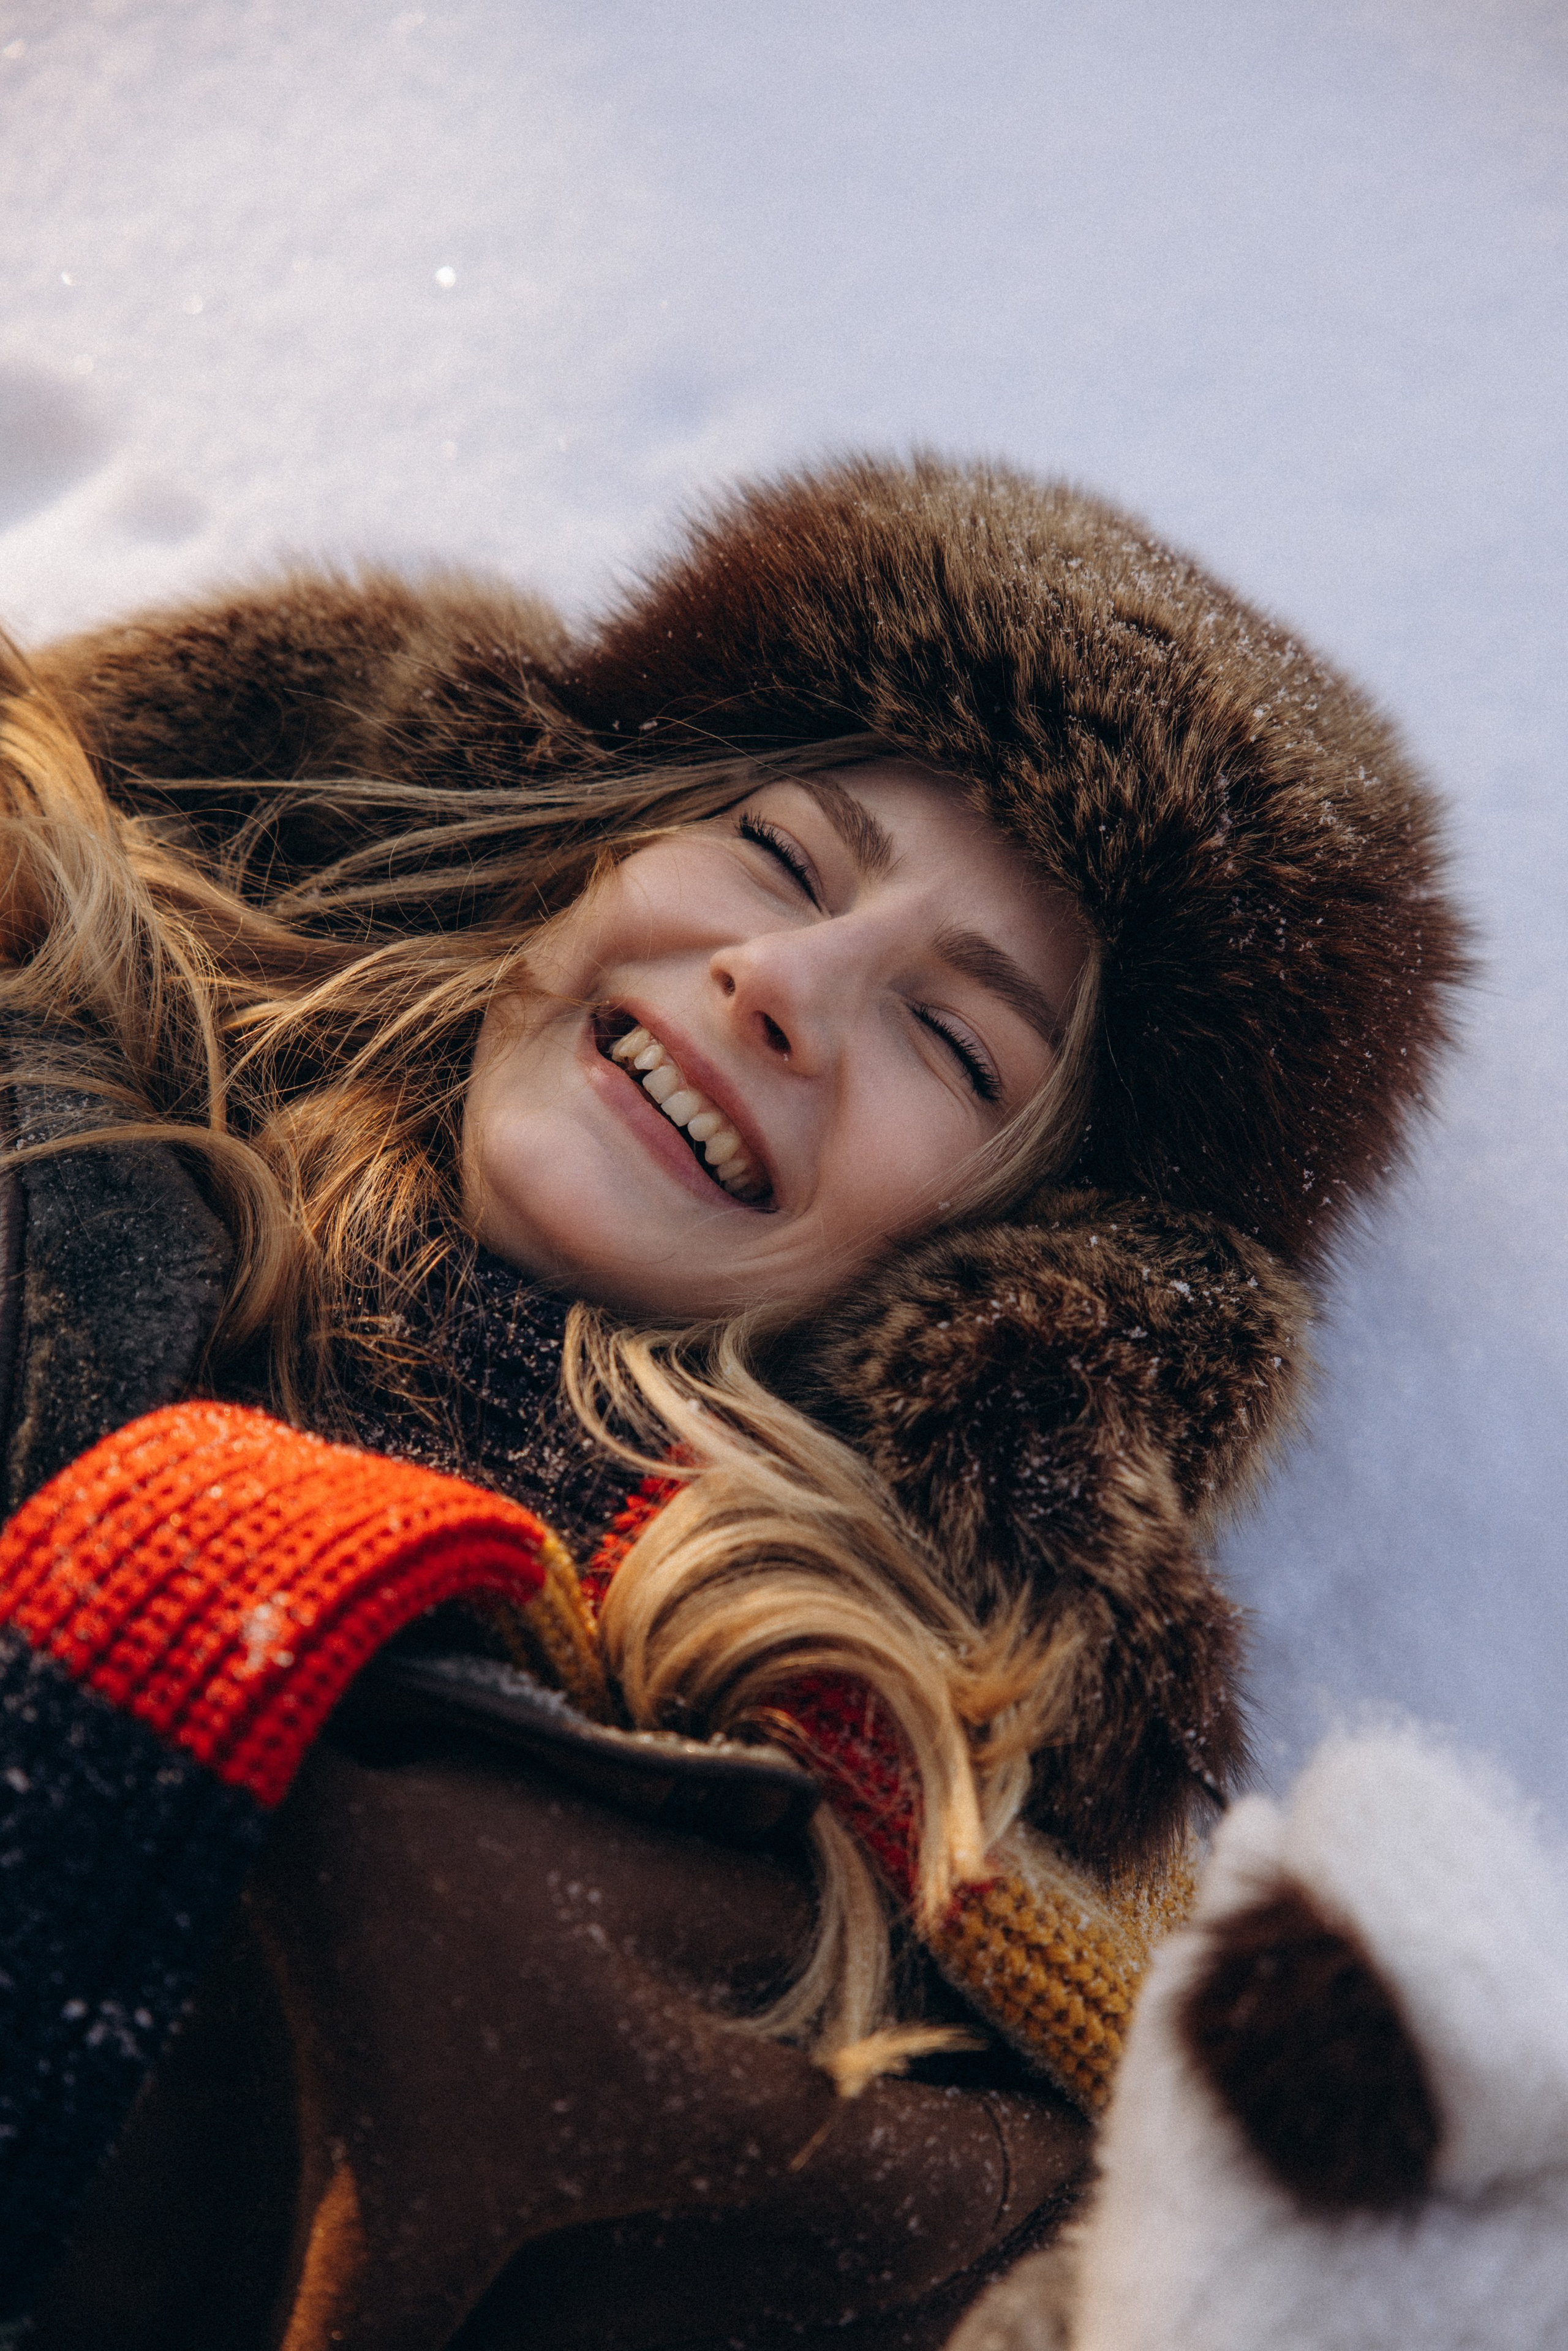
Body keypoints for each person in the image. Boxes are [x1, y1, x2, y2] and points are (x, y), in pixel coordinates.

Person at [0, 456, 1466, 2350]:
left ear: (1008, 1289)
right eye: (780, 854)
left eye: (956, 1037)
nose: (781, 978)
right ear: (581, 845)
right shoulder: (46, 1013)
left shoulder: (827, 1890)